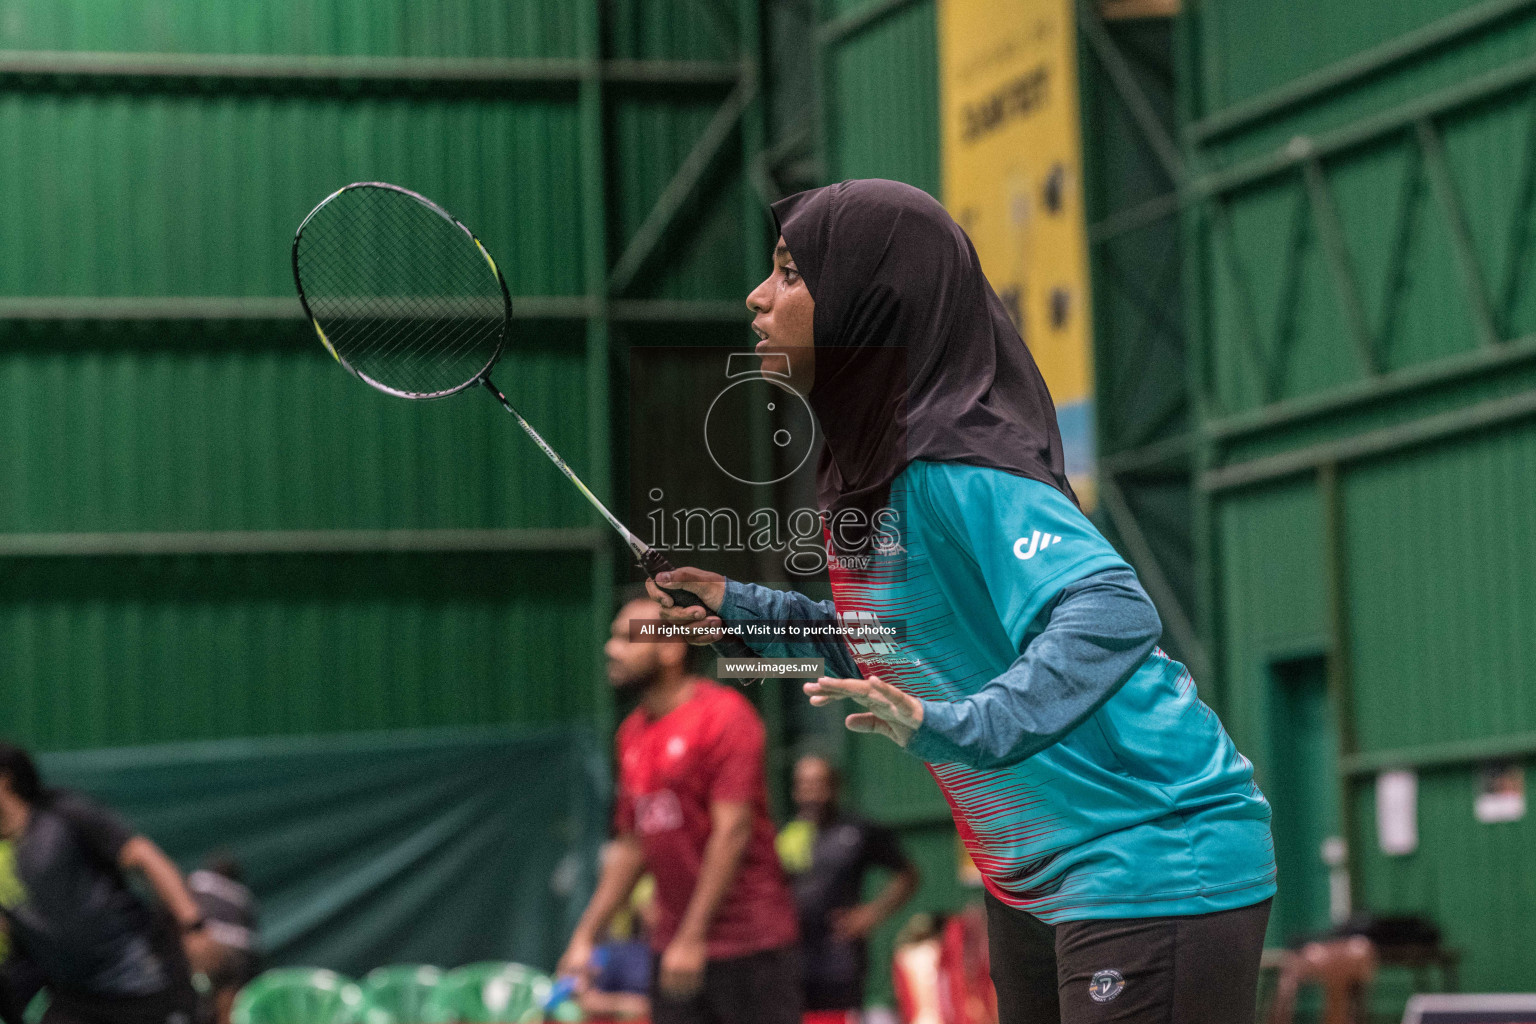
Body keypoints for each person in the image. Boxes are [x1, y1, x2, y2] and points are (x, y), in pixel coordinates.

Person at [645, 180, 1277, 1024]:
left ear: (871, 306)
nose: (758, 297)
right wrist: (744, 607)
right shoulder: (872, 480)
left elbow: (1112, 608)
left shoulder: (960, 464)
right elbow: (899, 645)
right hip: (1030, 872)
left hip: (1148, 850)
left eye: (791, 275)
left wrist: (967, 727)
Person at [558, 598, 801, 1024]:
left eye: (627, 637)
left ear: (670, 648)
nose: (611, 649)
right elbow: (632, 846)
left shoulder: (725, 716)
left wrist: (693, 938)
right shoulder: (631, 734)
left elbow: (733, 833)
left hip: (748, 946)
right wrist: (585, 935)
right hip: (671, 949)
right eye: (613, 637)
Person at [0, 742, 214, 1024]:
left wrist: (193, 926)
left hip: (140, 981)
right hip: (74, 997)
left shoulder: (63, 815)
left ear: (5, 779)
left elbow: (143, 855)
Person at [777, 755, 917, 1021]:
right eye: (805, 785)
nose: (812, 793)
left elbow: (908, 875)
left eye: (819, 784)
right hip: (792, 959)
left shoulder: (858, 830)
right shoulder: (787, 836)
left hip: (840, 961)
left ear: (834, 786)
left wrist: (871, 914)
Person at [185, 854, 260, 1024]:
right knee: (226, 1006)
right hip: (240, 957)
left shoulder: (198, 879)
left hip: (209, 949)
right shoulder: (245, 896)